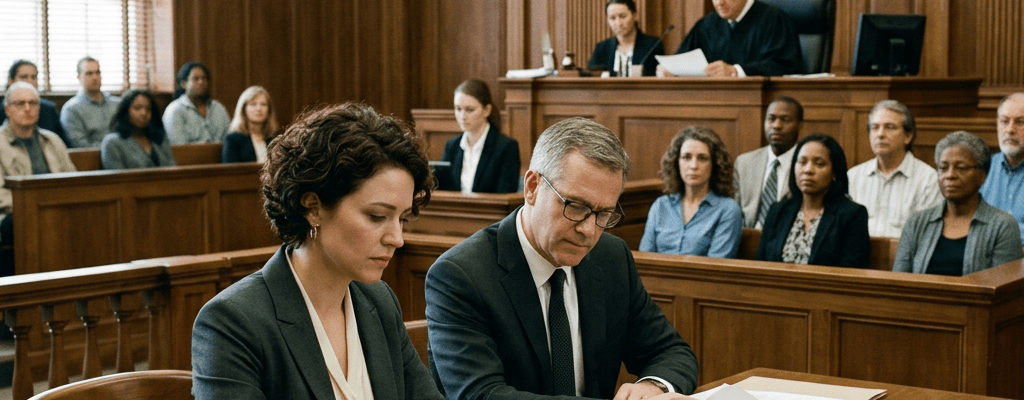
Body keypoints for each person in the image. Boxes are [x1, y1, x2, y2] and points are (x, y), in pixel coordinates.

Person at [426, 117, 699, 400]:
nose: (589, 230)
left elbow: (671, 351)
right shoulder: (459, 275)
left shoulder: (611, 257)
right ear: (532, 187)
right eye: (576, 206)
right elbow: (483, 395)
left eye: (604, 214)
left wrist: (652, 386)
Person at [191, 102, 442, 400]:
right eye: (377, 216)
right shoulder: (233, 322)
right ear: (313, 208)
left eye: (402, 219)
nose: (397, 239)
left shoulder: (380, 301)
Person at [893, 131, 1023, 276]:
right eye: (943, 168)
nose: (950, 175)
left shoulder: (1002, 225)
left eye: (961, 168)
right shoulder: (917, 222)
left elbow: (1002, 290)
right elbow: (899, 282)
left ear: (982, 175)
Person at [755, 134, 870, 268]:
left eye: (819, 163)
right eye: (802, 162)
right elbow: (760, 264)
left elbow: (852, 272)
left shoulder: (852, 215)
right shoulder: (778, 210)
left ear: (834, 172)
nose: (808, 170)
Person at [1, 82, 77, 277]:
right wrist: (36, 206)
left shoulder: (52, 141)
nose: (28, 109)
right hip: (12, 215)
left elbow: (73, 181)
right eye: (20, 103)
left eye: (33, 103)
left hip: (55, 209)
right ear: (7, 109)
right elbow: (1, 195)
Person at [640, 126, 743, 257]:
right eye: (686, 157)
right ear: (677, 162)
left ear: (715, 164)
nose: (693, 166)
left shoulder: (728, 209)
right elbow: (644, 259)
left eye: (702, 158)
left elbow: (715, 268)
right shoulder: (661, 205)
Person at [848, 100, 942, 238]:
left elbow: (927, 234)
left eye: (890, 127)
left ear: (908, 136)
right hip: (859, 256)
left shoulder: (928, 180)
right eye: (875, 128)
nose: (880, 134)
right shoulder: (853, 177)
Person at [661, 0, 803, 77]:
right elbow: (683, 58)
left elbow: (784, 67)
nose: (719, 3)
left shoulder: (773, 19)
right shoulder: (707, 24)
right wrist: (670, 70)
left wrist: (736, 71)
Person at [437, 79, 520, 193]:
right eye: (458, 109)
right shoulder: (452, 145)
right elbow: (442, 189)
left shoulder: (506, 147)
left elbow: (506, 194)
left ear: (486, 110)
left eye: (469, 110)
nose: (462, 116)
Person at [734, 96, 802, 228]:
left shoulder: (805, 164)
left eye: (785, 120)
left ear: (800, 125)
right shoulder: (744, 163)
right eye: (771, 119)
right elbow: (734, 212)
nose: (776, 126)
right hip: (748, 239)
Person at [980, 92, 1024, 247]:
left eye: (1020, 122)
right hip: (985, 258)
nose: (1010, 130)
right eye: (1004, 121)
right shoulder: (983, 168)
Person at [100, 89, 176, 169]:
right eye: (137, 108)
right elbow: (117, 179)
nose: (143, 113)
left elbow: (173, 171)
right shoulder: (112, 142)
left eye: (148, 109)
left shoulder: (159, 139)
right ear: (126, 111)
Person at [586, 0, 665, 77]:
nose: (618, 23)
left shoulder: (652, 45)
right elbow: (589, 75)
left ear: (634, 15)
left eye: (623, 16)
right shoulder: (602, 48)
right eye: (612, 18)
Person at [1, 60, 70, 146]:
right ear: (10, 81)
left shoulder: (48, 109)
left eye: (34, 77)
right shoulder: (2, 110)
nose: (30, 81)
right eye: (24, 77)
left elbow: (64, 144)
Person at [163, 61, 230, 144]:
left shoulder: (218, 108)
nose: (201, 82)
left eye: (204, 78)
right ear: (184, 84)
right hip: (187, 156)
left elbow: (229, 140)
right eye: (196, 79)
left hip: (220, 156)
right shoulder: (175, 110)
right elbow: (178, 147)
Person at [59, 57, 121, 148]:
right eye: (89, 73)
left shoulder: (117, 104)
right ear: (79, 77)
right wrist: (114, 150)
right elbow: (80, 145)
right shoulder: (71, 109)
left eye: (97, 72)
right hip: (91, 158)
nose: (95, 77)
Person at [222, 86, 280, 163]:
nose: (259, 108)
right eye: (253, 104)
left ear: (269, 110)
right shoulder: (233, 139)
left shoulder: (274, 138)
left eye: (263, 104)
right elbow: (229, 172)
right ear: (243, 109)